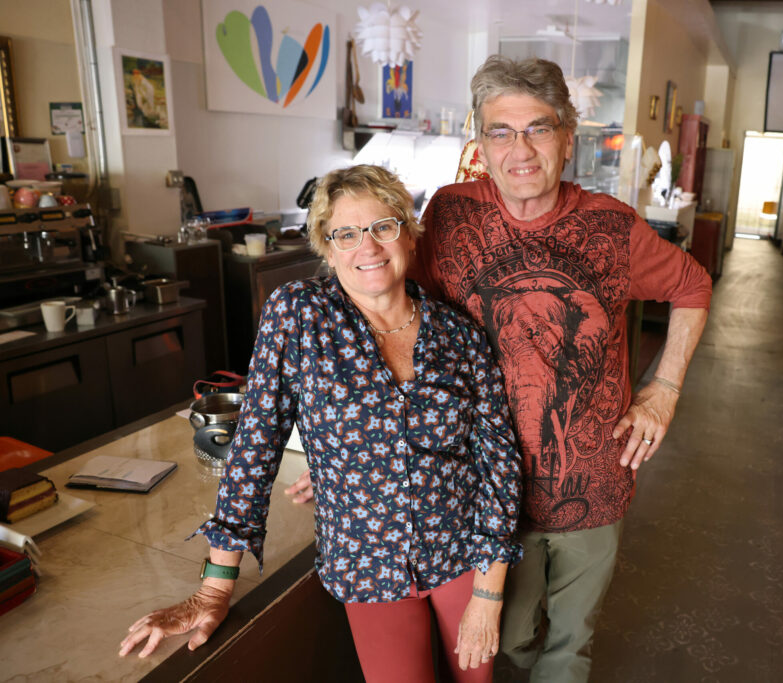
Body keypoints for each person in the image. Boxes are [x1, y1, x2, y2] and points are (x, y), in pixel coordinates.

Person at [118, 165, 523, 682]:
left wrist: (489, 593)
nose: (368, 247)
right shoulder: (300, 316)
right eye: (346, 234)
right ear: (328, 250)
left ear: (410, 237)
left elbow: (499, 462)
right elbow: (256, 445)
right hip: (365, 565)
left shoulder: (459, 335)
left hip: (465, 554)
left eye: (383, 227)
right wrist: (215, 588)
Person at [414, 55, 712, 680]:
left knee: (570, 645)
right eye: (501, 130)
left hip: (594, 483)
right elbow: (399, 319)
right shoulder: (448, 216)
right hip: (487, 488)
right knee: (511, 636)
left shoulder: (610, 226)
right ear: (480, 142)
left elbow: (693, 286)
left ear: (567, 138)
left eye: (538, 128)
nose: (519, 149)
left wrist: (664, 388)